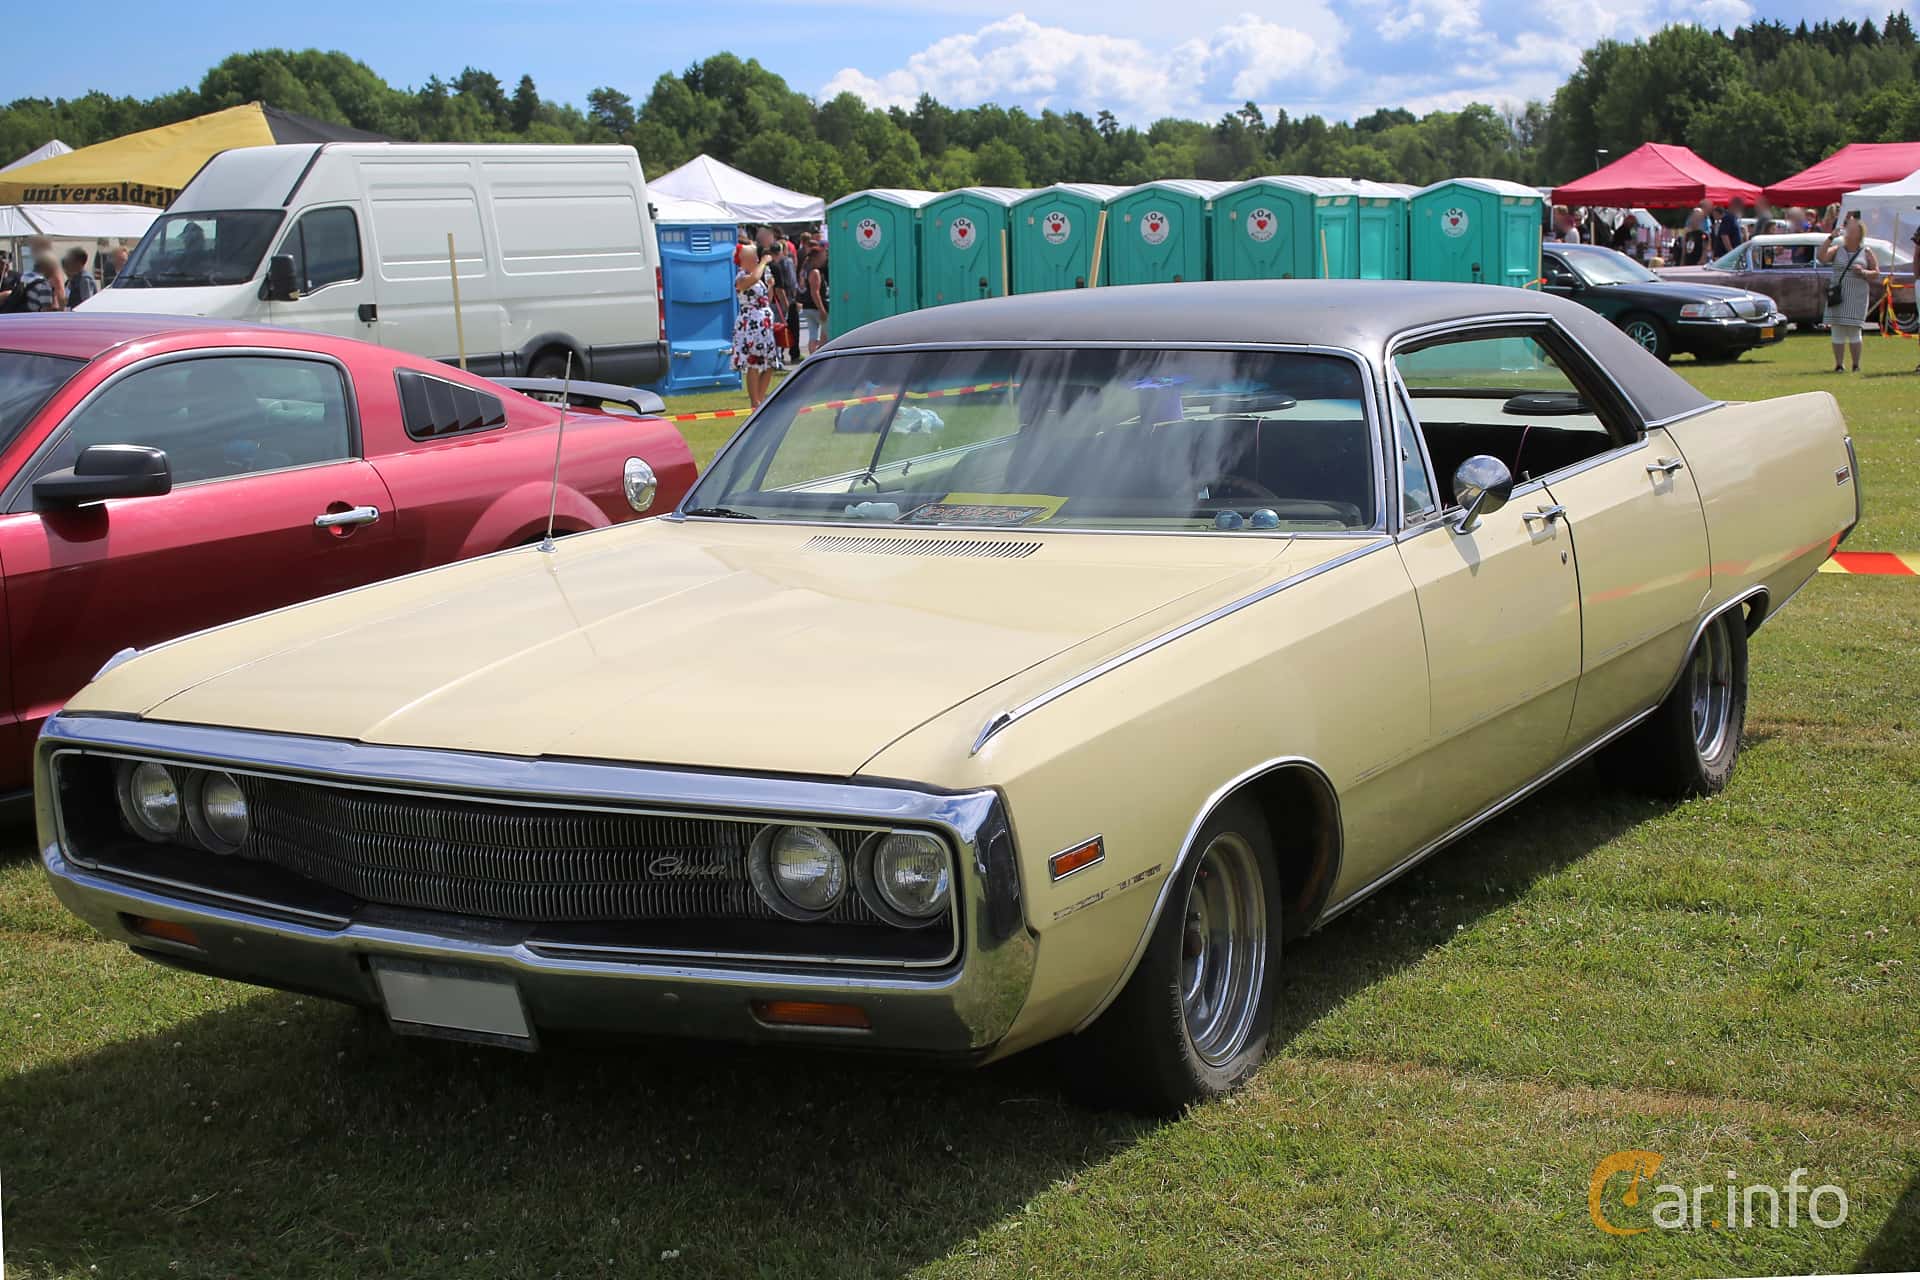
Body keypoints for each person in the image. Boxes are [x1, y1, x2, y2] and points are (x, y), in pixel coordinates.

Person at [1819, 218, 1879, 374]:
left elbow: (1876, 273)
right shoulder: (1838, 249)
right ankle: (1839, 365)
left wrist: (1863, 272)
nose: (1848, 232)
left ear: (1859, 233)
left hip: (1857, 295)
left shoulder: (1866, 251)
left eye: (1852, 229)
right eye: (1848, 229)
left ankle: (1856, 365)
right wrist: (1830, 237)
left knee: (1854, 329)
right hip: (1838, 294)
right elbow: (1822, 257)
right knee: (1837, 329)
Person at [731, 241, 784, 407]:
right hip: (751, 324)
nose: (756, 260)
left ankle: (760, 399)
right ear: (744, 260)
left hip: (763, 323)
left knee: (769, 363)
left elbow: (765, 298)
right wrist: (763, 262)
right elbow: (753, 279)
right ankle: (755, 400)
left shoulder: (758, 277)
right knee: (753, 362)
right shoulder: (741, 277)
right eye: (753, 258)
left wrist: (770, 287)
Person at [767, 238, 800, 364]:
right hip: (781, 303)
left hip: (771, 302)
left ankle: (776, 357)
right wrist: (787, 304)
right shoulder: (782, 264)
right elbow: (783, 287)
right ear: (781, 251)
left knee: (773, 331)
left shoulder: (765, 265)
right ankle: (778, 358)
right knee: (780, 330)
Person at [799, 241, 829, 354]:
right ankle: (820, 355)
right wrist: (821, 309)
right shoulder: (815, 272)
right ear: (817, 257)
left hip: (807, 307)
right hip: (815, 307)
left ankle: (813, 355)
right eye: (823, 256)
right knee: (826, 333)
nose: (825, 259)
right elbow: (815, 292)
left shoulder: (806, 270)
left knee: (813, 335)